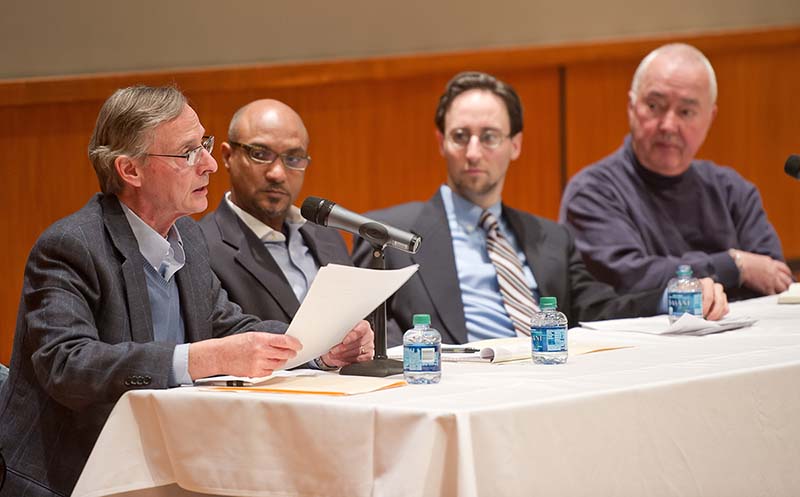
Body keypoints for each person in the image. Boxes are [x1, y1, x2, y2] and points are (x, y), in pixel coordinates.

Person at [0, 86, 372, 497]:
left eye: (206, 145)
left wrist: (319, 347)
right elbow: (66, 364)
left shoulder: (188, 240)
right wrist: (199, 358)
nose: (211, 164)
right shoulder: (72, 245)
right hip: (77, 477)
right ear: (131, 171)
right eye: (189, 152)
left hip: (172, 466)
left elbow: (231, 325)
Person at [352, 71, 728, 346]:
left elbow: (597, 309)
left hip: (551, 384)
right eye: (460, 137)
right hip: (457, 394)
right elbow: (371, 339)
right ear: (441, 142)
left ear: (515, 145)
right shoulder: (389, 235)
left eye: (489, 137)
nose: (472, 152)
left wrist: (669, 297)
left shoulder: (550, 238)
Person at [560, 43, 792, 300]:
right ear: (631, 107)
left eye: (686, 112)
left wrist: (740, 271)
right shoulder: (593, 192)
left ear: (710, 118)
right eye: (654, 106)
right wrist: (734, 266)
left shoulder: (732, 191)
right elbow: (631, 281)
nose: (668, 125)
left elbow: (774, 277)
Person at [200, 101, 357, 367]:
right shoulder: (202, 245)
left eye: (293, 159)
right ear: (227, 157)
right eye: (260, 154)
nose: (277, 173)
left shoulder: (327, 237)